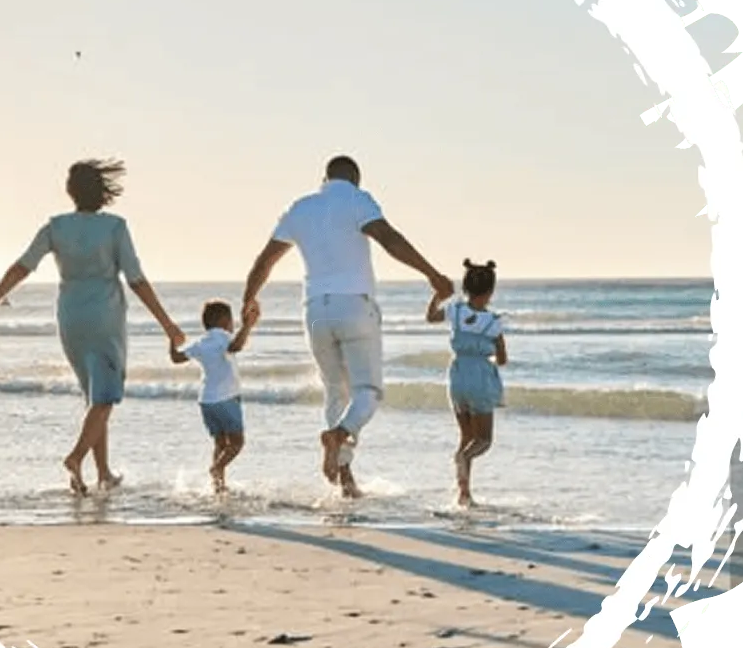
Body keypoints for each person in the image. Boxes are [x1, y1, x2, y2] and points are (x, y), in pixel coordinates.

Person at [242, 156, 454, 498]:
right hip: (354, 305)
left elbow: (264, 261)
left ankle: (345, 478)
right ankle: (339, 437)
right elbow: (389, 239)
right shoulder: (358, 199)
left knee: (334, 391)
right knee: (368, 391)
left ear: (324, 178)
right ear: (356, 179)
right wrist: (432, 275)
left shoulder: (300, 208)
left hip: (314, 310)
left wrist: (249, 299)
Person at [0, 159, 185, 496]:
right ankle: (75, 457)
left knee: (94, 397)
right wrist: (168, 324)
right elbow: (136, 280)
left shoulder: (56, 227)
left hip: (71, 318)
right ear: (101, 193)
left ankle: (103, 474)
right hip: (104, 318)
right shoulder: (115, 227)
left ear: (70, 192)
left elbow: (22, 266)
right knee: (106, 397)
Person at [426, 259, 509, 508]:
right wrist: (491, 357)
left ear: (465, 288)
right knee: (483, 441)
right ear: (491, 291)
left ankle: (464, 493)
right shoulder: (494, 321)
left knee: (467, 436)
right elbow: (502, 359)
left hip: (457, 375)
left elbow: (431, 317)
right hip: (480, 378)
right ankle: (463, 459)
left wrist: (437, 295)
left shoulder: (456, 310)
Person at [170, 299, 260, 493]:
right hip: (226, 398)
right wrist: (248, 326)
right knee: (237, 443)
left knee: (220, 443)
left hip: (206, 401)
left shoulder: (201, 342)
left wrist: (172, 339)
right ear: (223, 320)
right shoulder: (223, 337)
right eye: (231, 320)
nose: (233, 324)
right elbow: (236, 346)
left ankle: (218, 485)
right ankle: (217, 469)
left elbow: (176, 358)